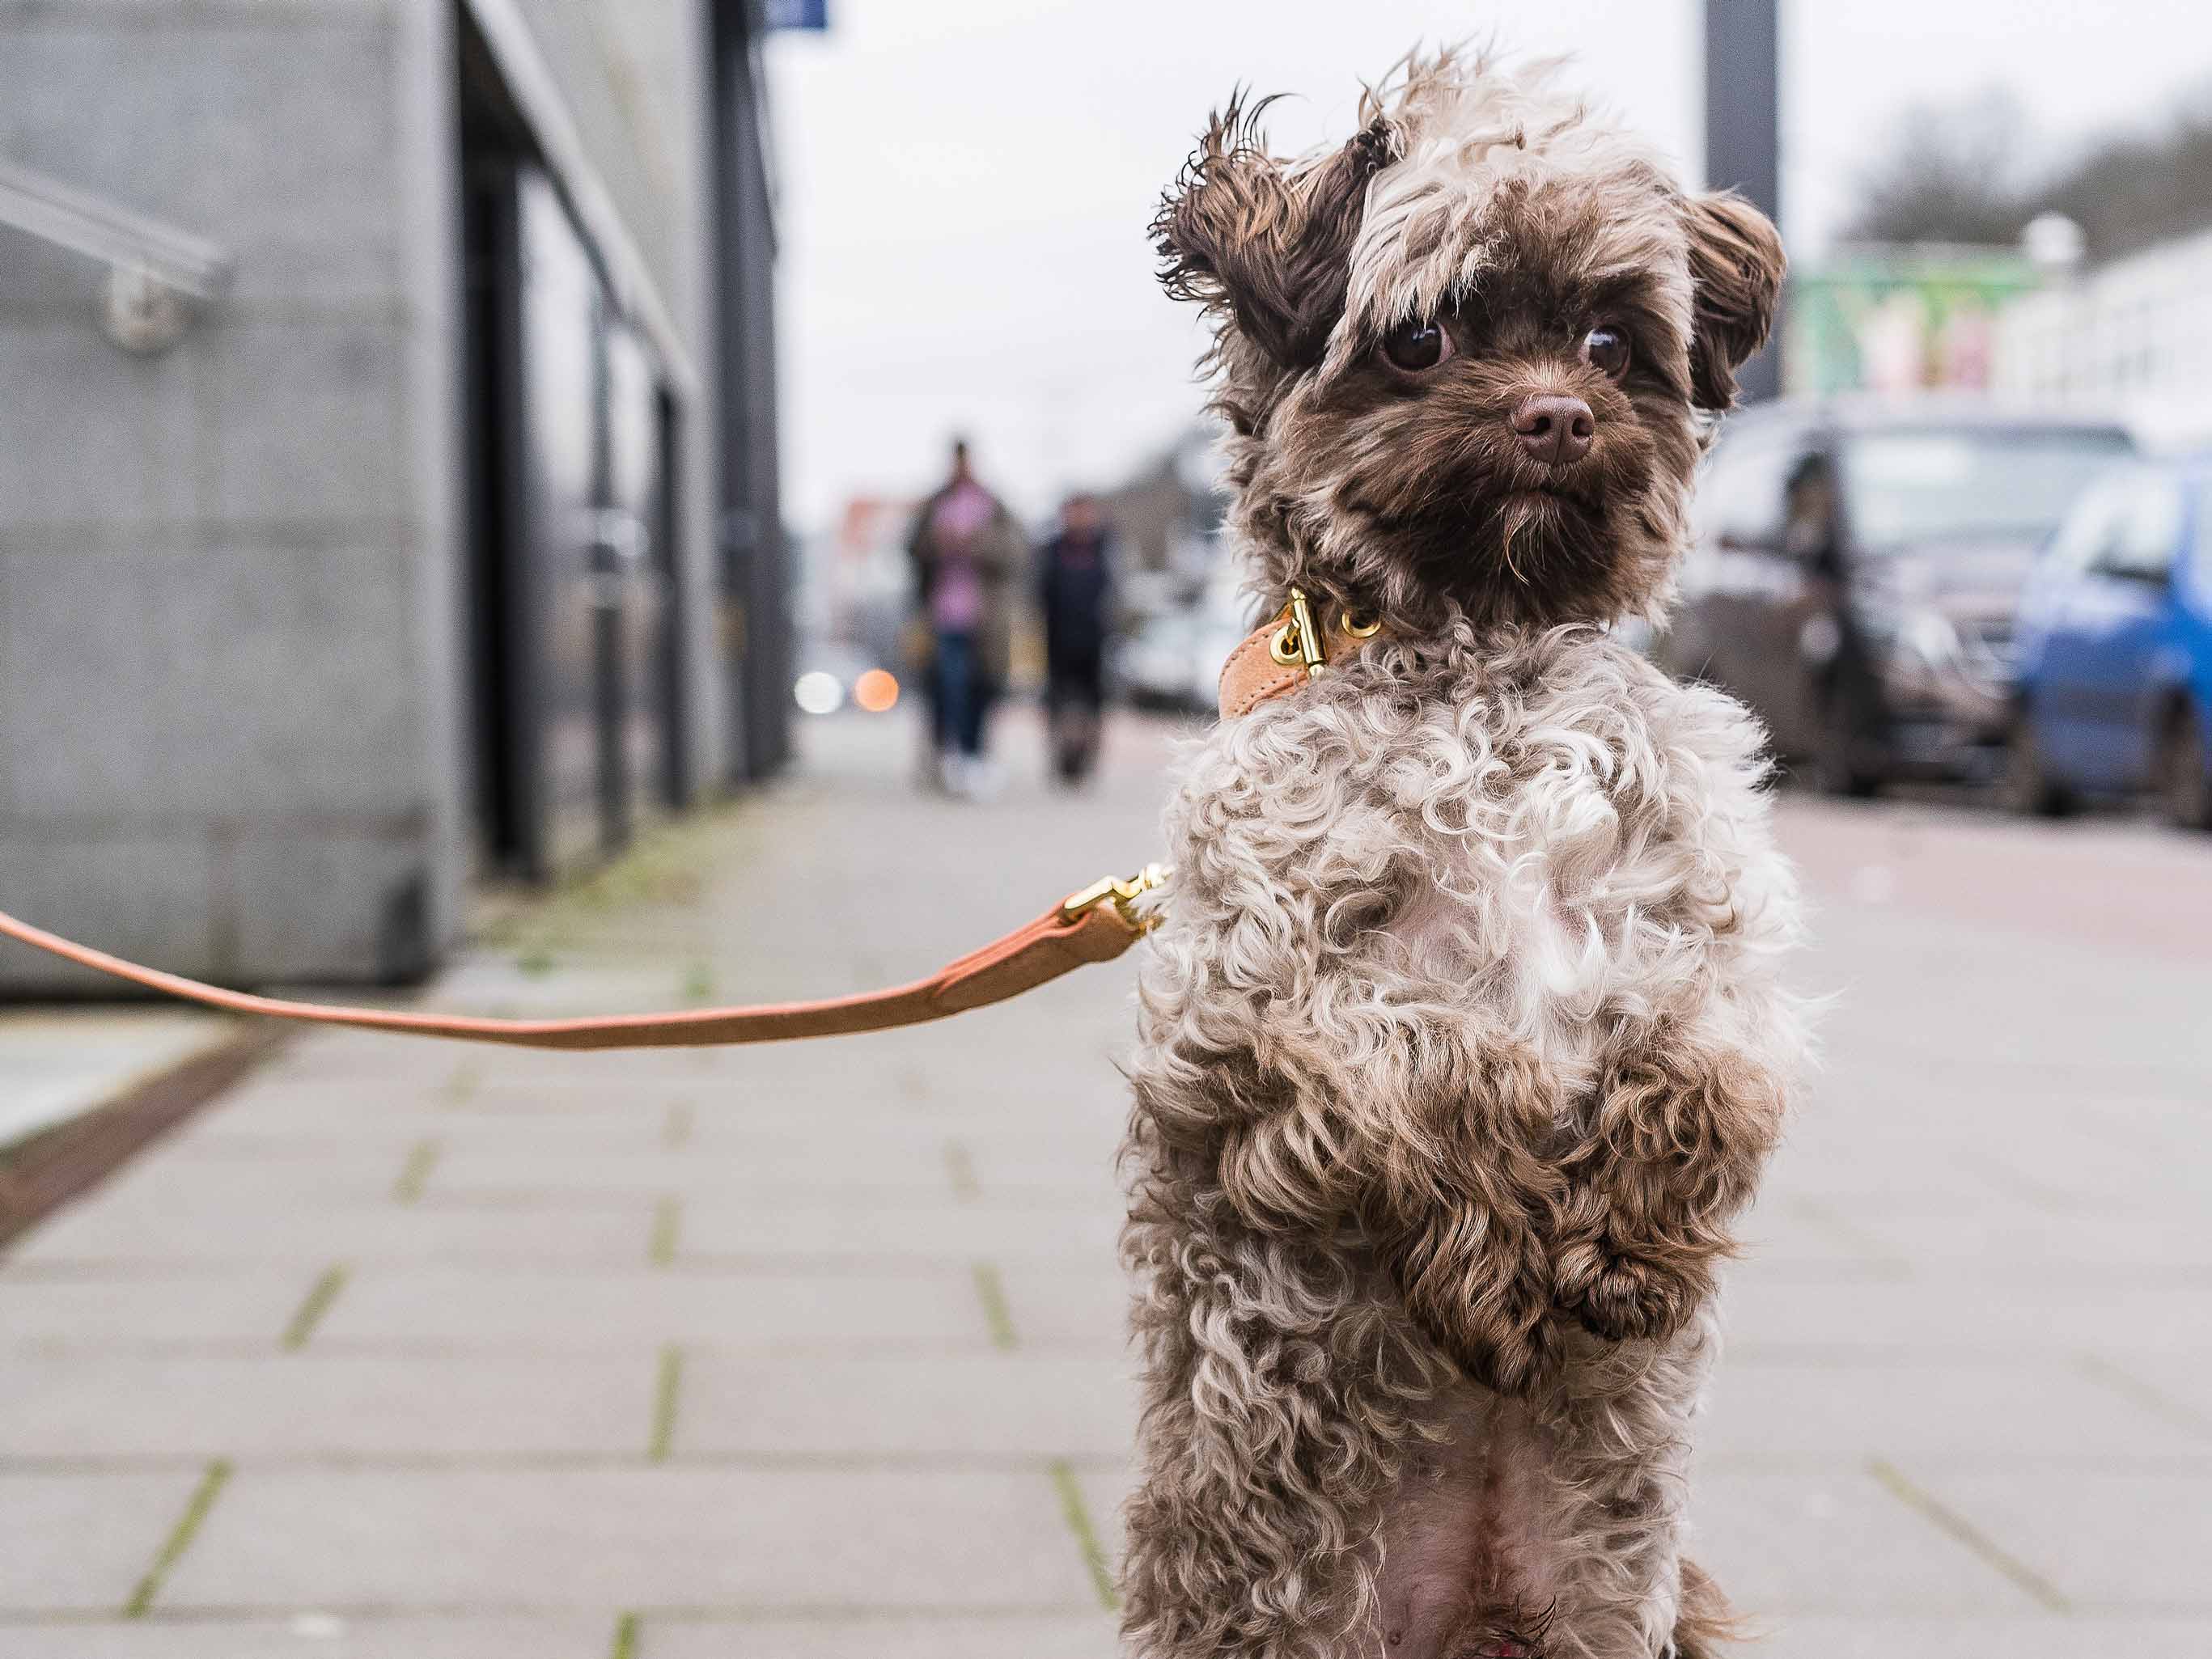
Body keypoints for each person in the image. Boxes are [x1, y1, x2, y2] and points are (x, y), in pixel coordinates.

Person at [906, 438, 1025, 798]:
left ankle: (976, 757)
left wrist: (974, 544)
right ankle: (952, 757)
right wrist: (937, 542)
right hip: (944, 617)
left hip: (986, 620)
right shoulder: (934, 505)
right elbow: (913, 550)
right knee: (948, 686)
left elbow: (1014, 554)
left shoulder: (994, 507)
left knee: (983, 688)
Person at [1036, 493, 1117, 785]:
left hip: (1095, 639)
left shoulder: (1106, 548)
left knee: (1093, 703)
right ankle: (1061, 758)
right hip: (1058, 639)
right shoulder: (1051, 551)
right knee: (1058, 702)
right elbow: (1039, 593)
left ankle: (1088, 759)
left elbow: (1115, 592)